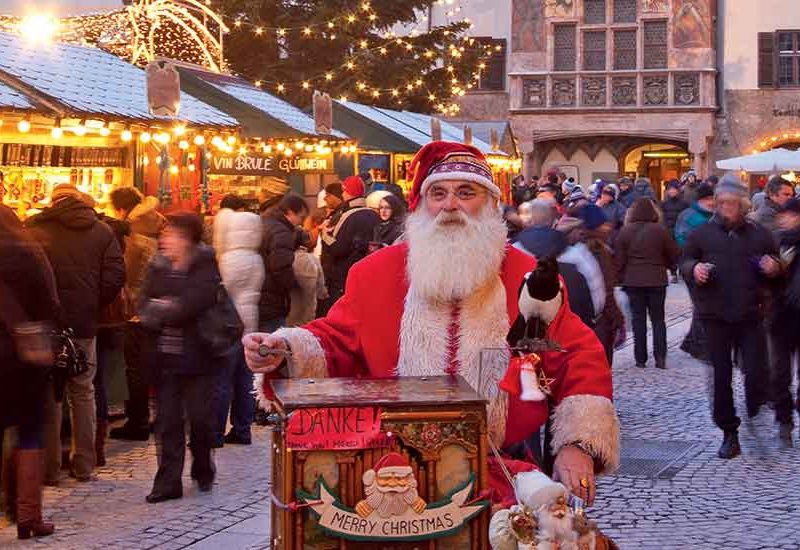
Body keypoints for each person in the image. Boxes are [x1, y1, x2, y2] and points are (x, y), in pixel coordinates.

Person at [245, 142, 620, 508]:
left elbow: (576, 356)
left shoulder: (528, 278)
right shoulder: (375, 274)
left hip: (504, 468)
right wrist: (285, 350)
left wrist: (578, 444)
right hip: (392, 470)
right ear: (423, 205)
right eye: (437, 193)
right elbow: (336, 340)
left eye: (465, 192)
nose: (450, 205)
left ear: (490, 204)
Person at [27, 184, 125, 483]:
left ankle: (51, 469)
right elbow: (116, 275)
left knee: (51, 393)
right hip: (83, 323)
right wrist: (92, 303)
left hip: (47, 323)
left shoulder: (35, 227)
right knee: (83, 390)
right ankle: (84, 464)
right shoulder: (100, 230)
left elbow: (26, 275)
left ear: (54, 201)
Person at [682, 175, 781, 459]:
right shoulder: (701, 234)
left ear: (743, 204)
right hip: (715, 316)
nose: (726, 207)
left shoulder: (760, 234)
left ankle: (755, 408)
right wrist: (694, 269)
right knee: (721, 377)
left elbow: (778, 267)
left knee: (757, 371)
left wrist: (773, 267)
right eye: (722, 202)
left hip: (751, 314)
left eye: (732, 202)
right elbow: (685, 261)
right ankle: (729, 432)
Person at [139, 212, 222, 502]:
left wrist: (166, 307)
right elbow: (144, 304)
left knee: (200, 420)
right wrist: (167, 306)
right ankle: (167, 483)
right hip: (165, 358)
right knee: (168, 422)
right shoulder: (158, 266)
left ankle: (202, 465)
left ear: (187, 238)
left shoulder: (205, 264)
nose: (164, 239)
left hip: (199, 357)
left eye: (171, 234)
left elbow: (195, 302)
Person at [0, 205, 58, 539]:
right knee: (30, 433)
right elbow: (48, 305)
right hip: (24, 358)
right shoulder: (28, 254)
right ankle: (28, 516)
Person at [108, 189, 165, 443]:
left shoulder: (135, 234)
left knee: (136, 369)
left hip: (138, 312)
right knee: (154, 366)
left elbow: (126, 274)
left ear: (120, 209)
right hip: (158, 308)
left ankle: (138, 422)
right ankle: (158, 418)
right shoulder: (156, 224)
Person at [213, 196, 264, 446]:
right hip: (249, 323)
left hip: (228, 327)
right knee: (244, 380)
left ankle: (215, 432)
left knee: (222, 379)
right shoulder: (255, 258)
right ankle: (242, 429)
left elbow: (221, 294)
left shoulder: (229, 259)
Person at [615, 198, 680, 369]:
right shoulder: (661, 230)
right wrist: (667, 265)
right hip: (656, 279)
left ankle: (640, 358)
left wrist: (620, 278)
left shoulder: (625, 231)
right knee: (658, 320)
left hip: (634, 280)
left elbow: (619, 260)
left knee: (638, 320)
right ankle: (660, 357)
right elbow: (673, 253)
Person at [513, 199, 595, 326]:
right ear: (552, 221)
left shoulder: (515, 251)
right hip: (570, 326)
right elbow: (595, 294)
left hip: (524, 327)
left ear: (531, 220)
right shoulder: (576, 254)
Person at [319, 176, 380, 313]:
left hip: (344, 277)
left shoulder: (347, 215)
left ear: (346, 192)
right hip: (368, 274)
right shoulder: (374, 214)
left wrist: (324, 233)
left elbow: (337, 248)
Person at [575, 205, 625, 366]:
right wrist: (618, 319)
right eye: (603, 224)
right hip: (599, 322)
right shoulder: (598, 251)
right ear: (594, 227)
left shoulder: (575, 248)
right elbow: (606, 289)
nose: (608, 227)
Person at [773, 198, 800, 446]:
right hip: (779, 318)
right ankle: (783, 420)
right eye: (784, 216)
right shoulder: (774, 243)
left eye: (792, 215)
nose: (786, 220)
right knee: (780, 374)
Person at [260, 193, 308, 332]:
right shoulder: (282, 231)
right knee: (273, 343)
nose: (301, 222)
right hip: (272, 296)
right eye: (301, 217)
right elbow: (281, 267)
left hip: (261, 291)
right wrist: (293, 285)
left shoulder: (267, 223)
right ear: (290, 212)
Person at [287, 230, 327, 327]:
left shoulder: (288, 259)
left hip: (289, 310)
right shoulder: (313, 260)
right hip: (308, 310)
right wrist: (323, 293)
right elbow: (321, 287)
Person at [661, 179, 690, 283]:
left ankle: (682, 270)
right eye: (670, 190)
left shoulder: (684, 203)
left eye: (674, 189)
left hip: (681, 231)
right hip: (669, 230)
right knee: (671, 253)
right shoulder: (664, 203)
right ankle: (673, 273)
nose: (672, 191)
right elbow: (662, 217)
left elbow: (687, 216)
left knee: (682, 252)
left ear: (678, 191)